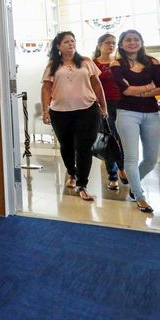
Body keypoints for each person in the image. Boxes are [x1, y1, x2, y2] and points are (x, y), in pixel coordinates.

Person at [41, 31, 108, 201]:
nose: (71, 44)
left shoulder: (86, 62)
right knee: (67, 145)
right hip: (60, 112)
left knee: (84, 147)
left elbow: (97, 84)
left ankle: (82, 184)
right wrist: (45, 110)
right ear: (58, 46)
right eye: (66, 42)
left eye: (73, 41)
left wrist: (103, 106)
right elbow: (46, 88)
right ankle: (71, 172)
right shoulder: (52, 65)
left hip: (87, 110)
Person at [110, 30, 160, 213]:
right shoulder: (117, 64)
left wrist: (139, 90)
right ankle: (139, 196)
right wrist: (148, 88)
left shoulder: (153, 62)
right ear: (121, 44)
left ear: (141, 42)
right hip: (127, 113)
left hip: (151, 113)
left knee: (151, 159)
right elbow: (125, 90)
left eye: (136, 39)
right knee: (132, 158)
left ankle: (134, 185)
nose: (132, 43)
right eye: (128, 40)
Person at [92, 33, 128, 190]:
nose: (111, 45)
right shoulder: (93, 64)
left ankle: (122, 167)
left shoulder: (120, 63)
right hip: (103, 106)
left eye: (114, 43)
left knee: (122, 139)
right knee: (109, 140)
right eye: (108, 43)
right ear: (100, 45)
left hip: (122, 104)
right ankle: (113, 175)